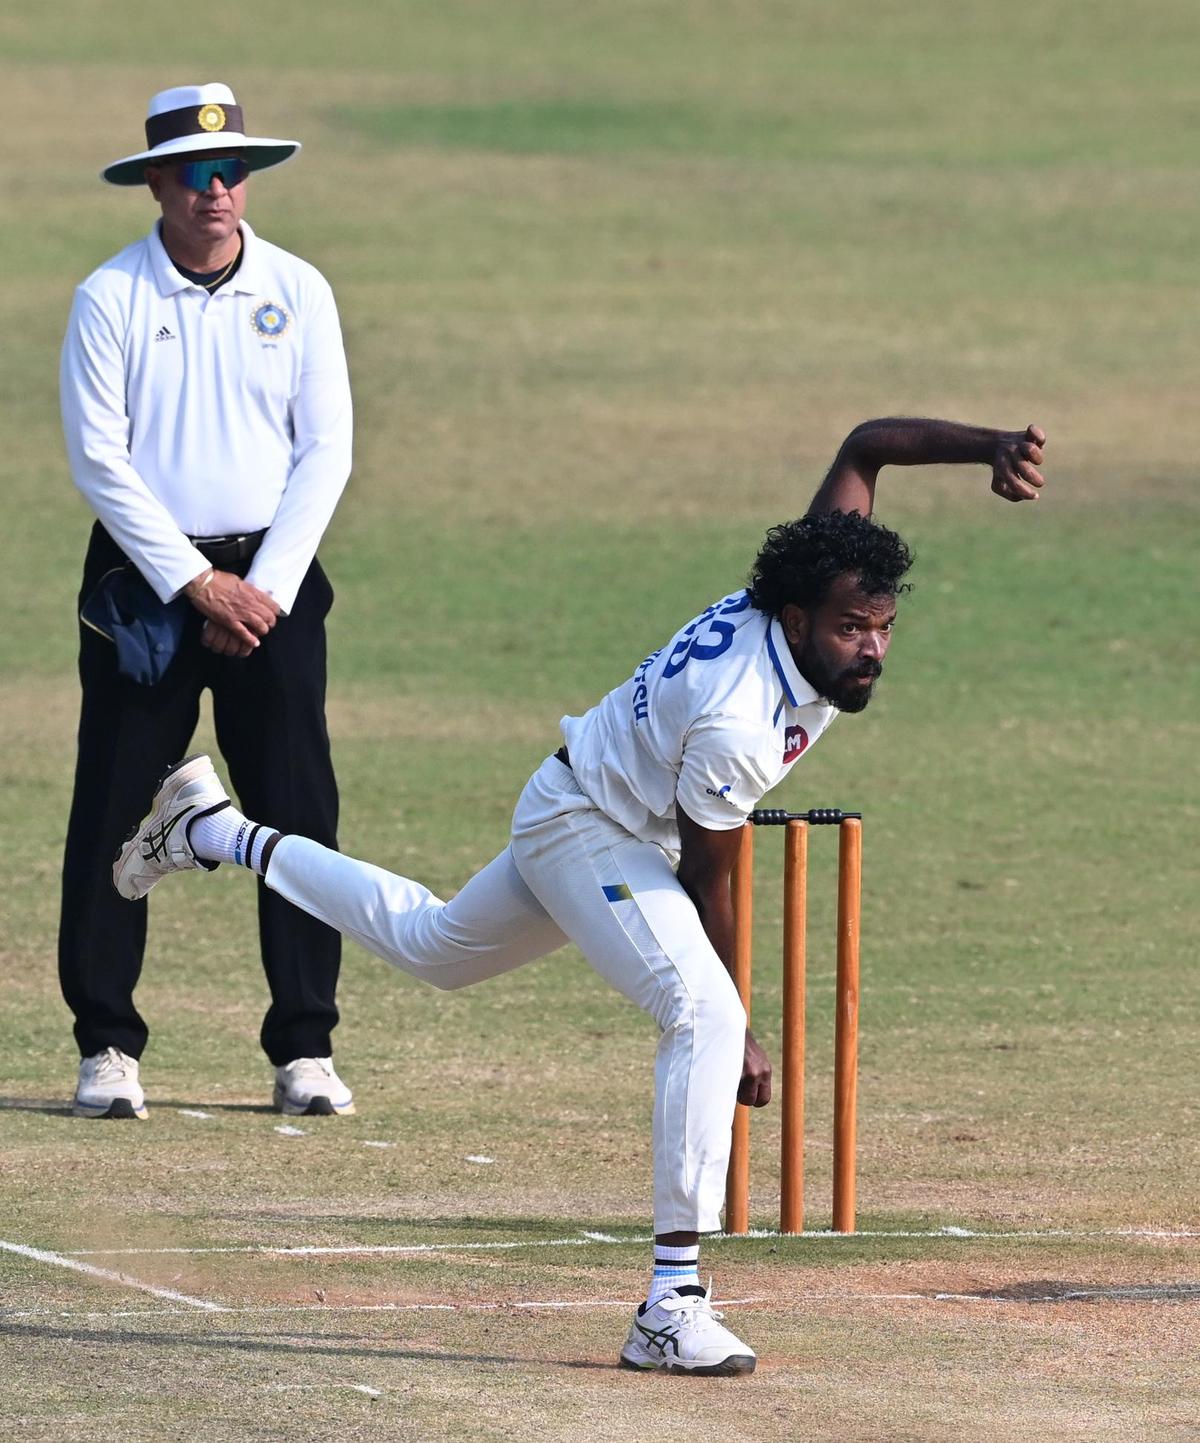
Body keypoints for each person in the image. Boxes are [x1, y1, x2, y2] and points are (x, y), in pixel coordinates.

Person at [113, 417, 1046, 1373]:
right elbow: (709, 879)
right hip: (590, 828)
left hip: (585, 802)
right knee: (703, 1012)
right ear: (800, 620)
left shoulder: (805, 583)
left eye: (884, 627)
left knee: (434, 945)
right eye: (853, 629)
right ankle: (671, 1305)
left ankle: (214, 830)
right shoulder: (736, 719)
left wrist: (988, 449)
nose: (873, 648)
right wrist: (739, 1024)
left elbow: (865, 447)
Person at [60, 83, 355, 1121]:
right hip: (147, 586)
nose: (216, 190)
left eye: (231, 171)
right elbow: (100, 461)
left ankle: (306, 1046)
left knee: (297, 808)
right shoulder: (110, 297)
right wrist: (196, 583)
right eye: (194, 174)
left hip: (273, 582)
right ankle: (107, 1044)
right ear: (156, 184)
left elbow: (326, 449)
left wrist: (259, 590)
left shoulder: (298, 288)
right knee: (115, 808)